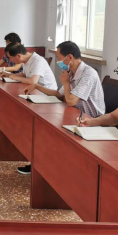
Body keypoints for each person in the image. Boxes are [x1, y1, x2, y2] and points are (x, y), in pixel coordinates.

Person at [18, 41, 105, 175]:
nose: (58, 61)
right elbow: (59, 94)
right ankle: (39, 164)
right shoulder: (70, 71)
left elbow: (71, 101)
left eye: (59, 57)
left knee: (52, 130)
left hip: (90, 119)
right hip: (74, 114)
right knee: (43, 125)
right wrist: (36, 86)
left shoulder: (88, 74)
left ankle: (49, 167)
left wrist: (66, 83)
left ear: (69, 57)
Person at [0, 43, 57, 150]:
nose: (11, 61)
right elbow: (24, 75)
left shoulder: (38, 61)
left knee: (8, 107)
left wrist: (15, 77)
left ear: (18, 56)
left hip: (45, 98)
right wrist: (9, 75)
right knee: (2, 104)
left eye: (11, 58)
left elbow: (33, 81)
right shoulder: (27, 60)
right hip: (33, 94)